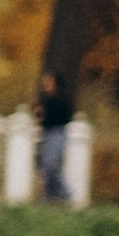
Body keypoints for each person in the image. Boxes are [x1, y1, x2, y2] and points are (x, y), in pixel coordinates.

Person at [36, 67, 77, 206]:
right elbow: (41, 118)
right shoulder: (45, 98)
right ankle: (48, 196)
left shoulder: (61, 98)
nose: (46, 84)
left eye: (48, 81)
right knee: (46, 166)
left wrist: (45, 116)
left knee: (51, 165)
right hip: (47, 133)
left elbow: (63, 116)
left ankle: (66, 193)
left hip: (57, 133)